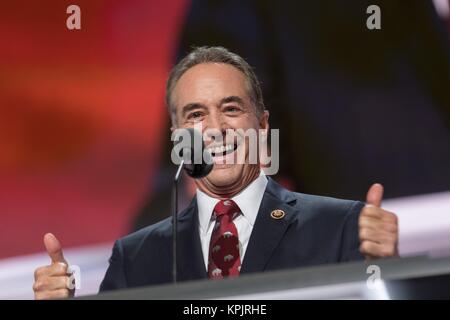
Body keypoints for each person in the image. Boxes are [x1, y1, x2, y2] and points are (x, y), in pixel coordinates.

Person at [32, 47, 398, 299]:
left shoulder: (338, 227)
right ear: (178, 140)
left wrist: (387, 270)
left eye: (232, 108)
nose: (215, 128)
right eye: (195, 115)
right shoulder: (137, 257)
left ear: (262, 124)